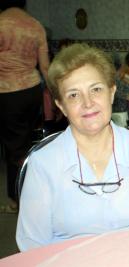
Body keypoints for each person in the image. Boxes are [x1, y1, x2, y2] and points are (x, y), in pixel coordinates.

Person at [16, 43, 129, 251]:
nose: (88, 103)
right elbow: (32, 246)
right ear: (61, 105)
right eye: (73, 95)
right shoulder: (43, 163)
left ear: (112, 93)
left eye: (96, 90)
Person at [0, 0, 50, 213]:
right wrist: (56, 94)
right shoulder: (36, 25)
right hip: (32, 91)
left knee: (14, 148)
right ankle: (30, 193)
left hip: (7, 91)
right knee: (27, 143)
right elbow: (45, 66)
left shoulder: (1, 23)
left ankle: (17, 201)